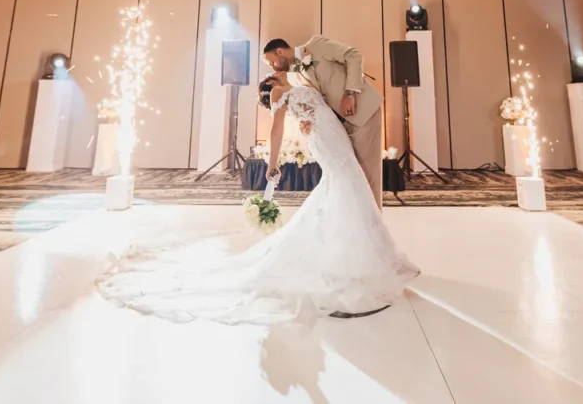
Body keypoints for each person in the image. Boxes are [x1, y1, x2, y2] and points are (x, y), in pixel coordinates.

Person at [96, 71, 417, 323]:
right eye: (273, 76)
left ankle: (372, 258)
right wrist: (272, 164)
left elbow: (314, 110)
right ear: (270, 87)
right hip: (327, 141)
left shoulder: (297, 86)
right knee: (348, 187)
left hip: (329, 136)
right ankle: (364, 264)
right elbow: (277, 130)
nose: (277, 74)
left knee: (345, 188)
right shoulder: (280, 92)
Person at [262, 35, 385, 210]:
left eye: (271, 61)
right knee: (351, 177)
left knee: (367, 176)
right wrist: (309, 122)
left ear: (280, 51)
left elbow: (353, 55)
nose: (272, 67)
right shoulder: (295, 77)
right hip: (337, 128)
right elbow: (316, 102)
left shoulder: (316, 46)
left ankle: (372, 228)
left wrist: (350, 93)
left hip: (362, 114)